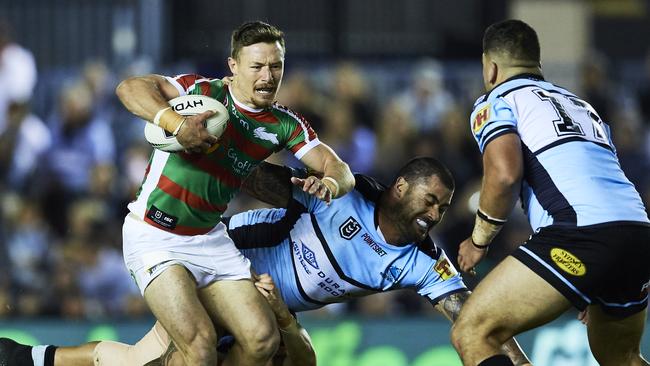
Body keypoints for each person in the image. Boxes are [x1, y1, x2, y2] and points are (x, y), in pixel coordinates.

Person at [0, 158, 531, 366]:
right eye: (430, 200)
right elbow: (255, 174)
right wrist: (211, 153)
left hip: (272, 304)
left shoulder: (423, 262)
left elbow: (476, 316)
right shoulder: (338, 193)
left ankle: (28, 359)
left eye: (442, 207)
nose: (435, 214)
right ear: (399, 188)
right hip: (223, 267)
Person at [114, 20, 355, 366]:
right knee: (200, 346)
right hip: (155, 235)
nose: (268, 76)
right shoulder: (201, 93)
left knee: (262, 340)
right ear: (233, 67)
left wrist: (328, 183)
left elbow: (340, 169)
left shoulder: (284, 124)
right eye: (257, 66)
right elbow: (129, 88)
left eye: (276, 66)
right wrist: (177, 124)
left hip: (210, 239)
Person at [450, 19, 650, 366]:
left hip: (580, 235)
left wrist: (479, 240)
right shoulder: (582, 106)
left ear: (491, 66)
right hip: (637, 231)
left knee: (473, 330)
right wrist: (594, 275)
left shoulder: (497, 100)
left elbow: (504, 174)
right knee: (621, 356)